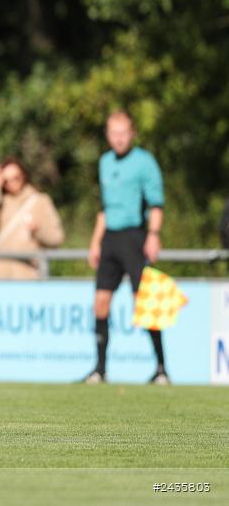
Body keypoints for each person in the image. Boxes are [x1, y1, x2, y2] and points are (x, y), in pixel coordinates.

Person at [85, 111, 166, 385]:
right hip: (110, 237)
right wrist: (96, 242)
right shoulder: (105, 162)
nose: (118, 138)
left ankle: (161, 368)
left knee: (142, 303)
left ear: (132, 133)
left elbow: (156, 203)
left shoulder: (144, 162)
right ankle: (100, 369)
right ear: (108, 135)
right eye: (113, 133)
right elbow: (103, 209)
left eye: (123, 133)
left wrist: (153, 234)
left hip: (134, 236)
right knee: (100, 303)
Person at [0, 156, 64, 279]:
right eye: (6, 180)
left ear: (24, 176)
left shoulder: (40, 201)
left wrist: (37, 230)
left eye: (16, 178)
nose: (12, 183)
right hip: (0, 275)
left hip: (29, 274)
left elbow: (56, 238)